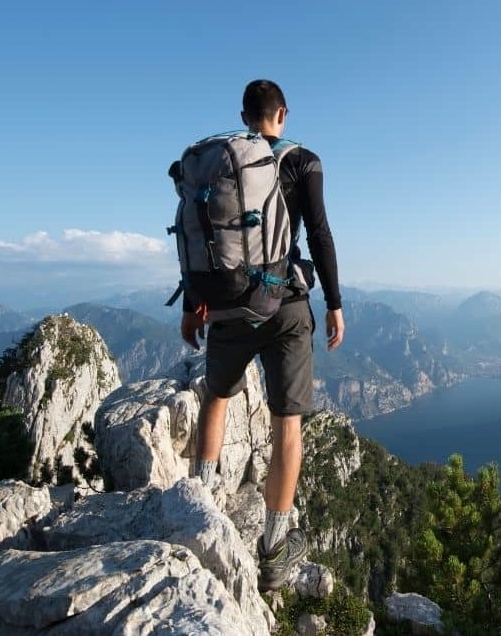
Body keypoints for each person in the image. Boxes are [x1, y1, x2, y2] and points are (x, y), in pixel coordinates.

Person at [180, 79, 345, 592]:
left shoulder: (219, 162)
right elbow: (317, 233)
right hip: (285, 307)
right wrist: (335, 303)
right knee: (287, 425)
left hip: (226, 305)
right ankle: (274, 550)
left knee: (216, 400)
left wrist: (193, 307)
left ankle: (196, 516)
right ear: (283, 113)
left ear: (246, 115)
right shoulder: (302, 161)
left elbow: (207, 242)